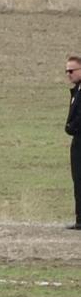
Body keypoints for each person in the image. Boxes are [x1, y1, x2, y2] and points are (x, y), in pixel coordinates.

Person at [64, 56, 81, 230]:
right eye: (67, 71)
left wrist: (71, 127)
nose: (68, 74)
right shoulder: (76, 90)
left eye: (71, 70)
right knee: (78, 180)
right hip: (77, 142)